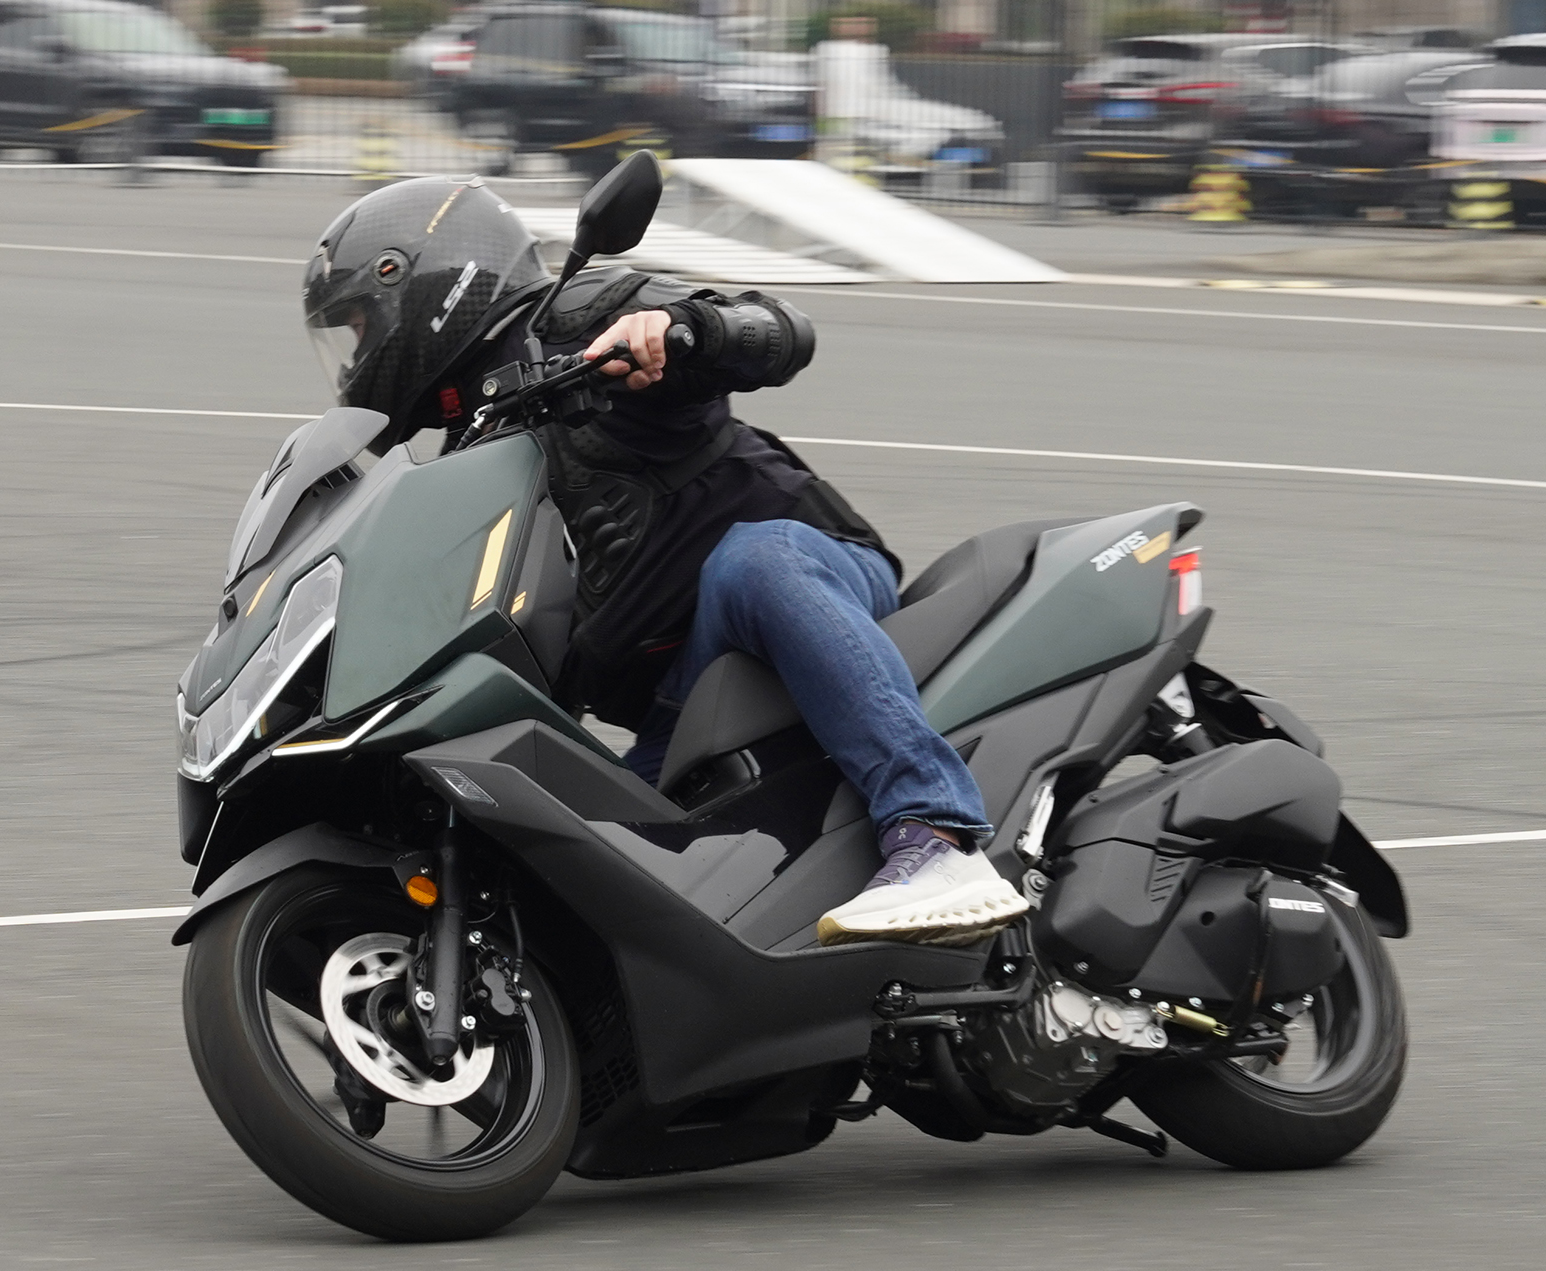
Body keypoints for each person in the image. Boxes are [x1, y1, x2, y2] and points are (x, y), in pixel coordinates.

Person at [301, 175, 1027, 947]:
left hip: (805, 577)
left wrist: (680, 329)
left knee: (750, 560)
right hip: (681, 704)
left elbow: (780, 331)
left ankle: (936, 835)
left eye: (360, 324)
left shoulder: (579, 318)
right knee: (607, 901)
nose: (357, 353)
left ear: (425, 285)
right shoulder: (460, 460)